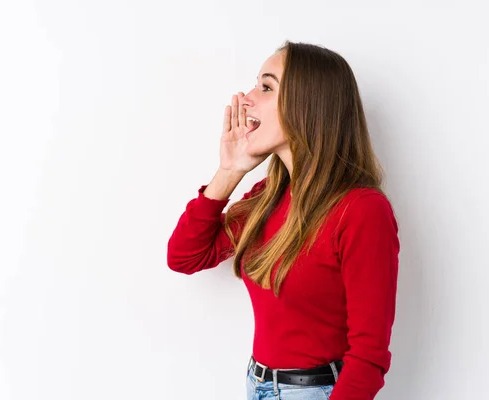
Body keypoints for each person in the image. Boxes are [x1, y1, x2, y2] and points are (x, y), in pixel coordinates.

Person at [167, 40, 400, 400]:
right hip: (257, 384)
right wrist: (229, 172)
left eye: (266, 86)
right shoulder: (269, 194)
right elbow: (185, 256)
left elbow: (369, 357)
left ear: (305, 106)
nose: (245, 97)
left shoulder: (362, 210)